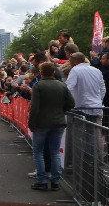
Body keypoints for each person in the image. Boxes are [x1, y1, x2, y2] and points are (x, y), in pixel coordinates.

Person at [29, 61, 75, 192]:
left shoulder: (38, 86)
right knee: (55, 152)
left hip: (41, 123)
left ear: (41, 72)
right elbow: (71, 103)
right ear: (53, 72)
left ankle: (42, 180)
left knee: (38, 152)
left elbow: (34, 107)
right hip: (58, 121)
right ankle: (55, 181)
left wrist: (31, 122)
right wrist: (61, 110)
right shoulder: (61, 85)